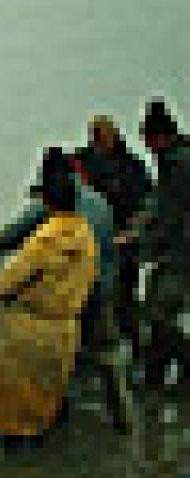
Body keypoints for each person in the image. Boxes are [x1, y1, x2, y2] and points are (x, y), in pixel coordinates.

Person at [0, 147, 98, 446]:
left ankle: (13, 472)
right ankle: (42, 456)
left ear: (46, 199)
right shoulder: (85, 233)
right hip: (65, 327)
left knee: (11, 404)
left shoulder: (46, 238)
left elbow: (9, 279)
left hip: (30, 329)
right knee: (46, 397)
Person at [0, 149, 132, 432]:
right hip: (103, 288)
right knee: (106, 355)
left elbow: (7, 236)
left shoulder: (52, 204)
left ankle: (50, 417)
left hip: (70, 295)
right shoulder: (99, 200)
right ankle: (122, 417)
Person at [76, 115, 153, 349]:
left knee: (124, 297)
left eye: (102, 134)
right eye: (95, 135)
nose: (98, 140)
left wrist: (133, 230)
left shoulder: (132, 166)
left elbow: (147, 203)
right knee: (98, 298)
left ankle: (131, 344)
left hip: (124, 241)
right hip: (95, 241)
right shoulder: (81, 161)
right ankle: (102, 345)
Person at [135, 99, 190, 394]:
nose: (144, 145)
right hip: (177, 250)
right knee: (162, 312)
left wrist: (141, 243)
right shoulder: (177, 157)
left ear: (159, 137)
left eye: (146, 138)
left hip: (180, 254)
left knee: (160, 312)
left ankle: (166, 372)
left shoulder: (177, 164)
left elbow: (170, 214)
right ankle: (155, 374)